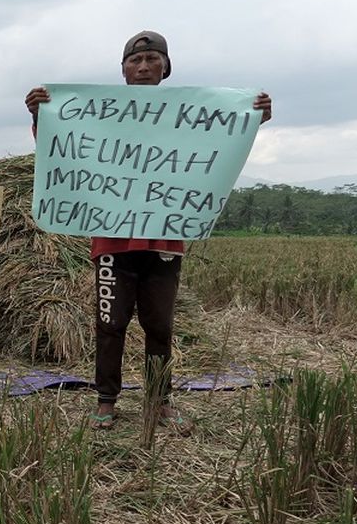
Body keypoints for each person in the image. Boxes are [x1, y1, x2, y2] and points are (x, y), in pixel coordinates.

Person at [24, 31, 273, 432]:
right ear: (123, 70)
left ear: (166, 67)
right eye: (135, 61)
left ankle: (160, 401)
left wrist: (251, 116)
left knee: (159, 325)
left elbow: (221, 145)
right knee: (111, 322)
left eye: (152, 59)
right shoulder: (102, 114)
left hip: (164, 241)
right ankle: (106, 400)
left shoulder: (187, 117)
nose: (143, 67)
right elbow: (62, 147)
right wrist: (41, 115)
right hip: (112, 242)